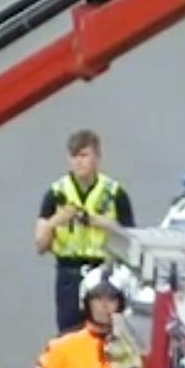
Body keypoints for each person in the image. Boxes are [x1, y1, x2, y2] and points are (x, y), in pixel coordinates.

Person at [33, 129, 136, 334]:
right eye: (74, 157)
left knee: (106, 333)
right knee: (69, 333)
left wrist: (105, 223)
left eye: (84, 156)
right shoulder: (56, 193)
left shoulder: (114, 193)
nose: (78, 162)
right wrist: (55, 221)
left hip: (103, 273)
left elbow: (131, 241)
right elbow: (39, 245)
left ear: (97, 158)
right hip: (69, 273)